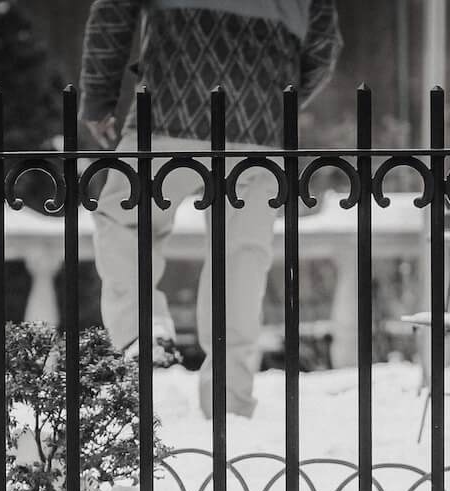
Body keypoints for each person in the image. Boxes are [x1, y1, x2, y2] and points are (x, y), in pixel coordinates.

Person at [79, 0, 343, 418]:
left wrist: (99, 98)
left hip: (170, 107)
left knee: (123, 219)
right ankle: (230, 405)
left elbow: (114, 11)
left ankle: (142, 335)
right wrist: (276, 98)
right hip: (260, 121)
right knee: (240, 259)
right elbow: (323, 43)